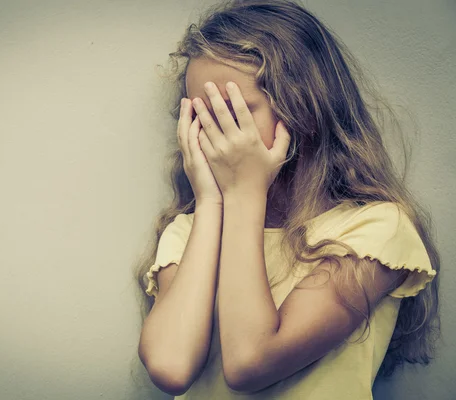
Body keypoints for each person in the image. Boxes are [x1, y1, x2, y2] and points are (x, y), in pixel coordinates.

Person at [133, 0, 440, 399]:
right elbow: (171, 368)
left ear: (305, 108)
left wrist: (245, 192)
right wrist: (211, 203)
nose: (212, 133)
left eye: (232, 112)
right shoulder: (189, 230)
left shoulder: (375, 229)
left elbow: (250, 362)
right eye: (198, 116)